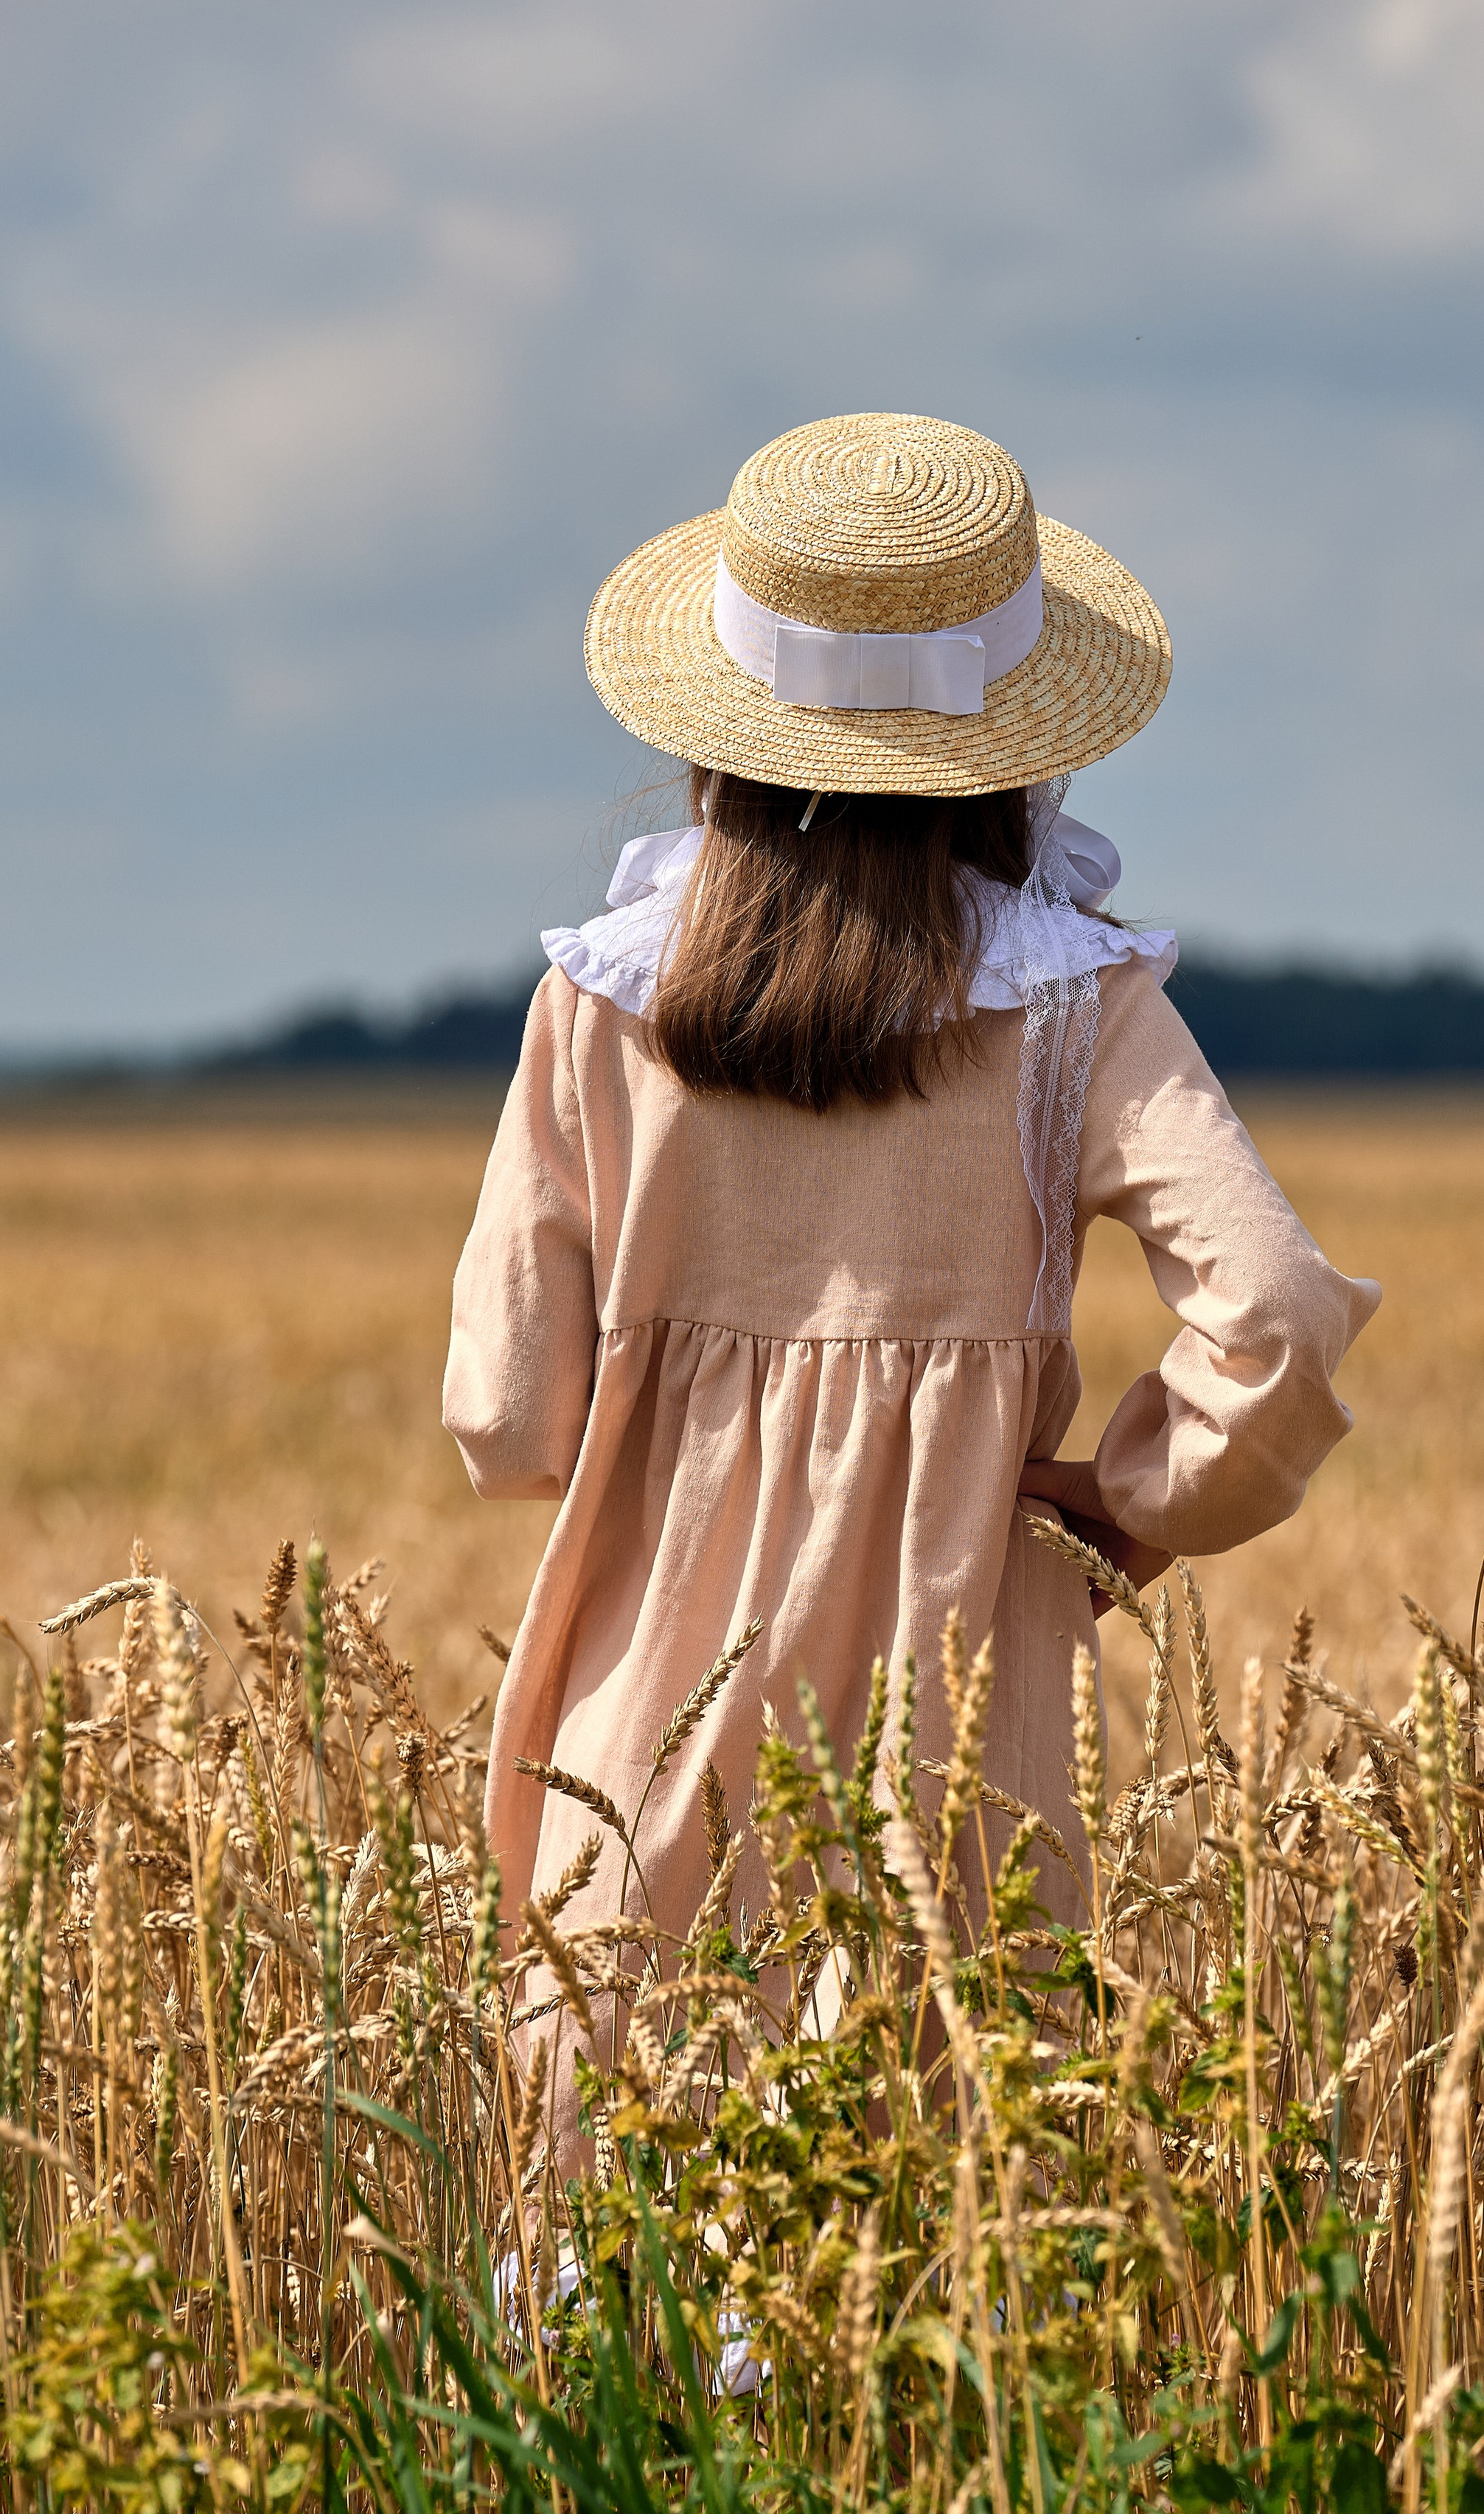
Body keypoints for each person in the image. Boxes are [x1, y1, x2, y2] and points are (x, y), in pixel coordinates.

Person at [444, 411, 1378, 2008]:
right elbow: (1278, 1319)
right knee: (943, 2205)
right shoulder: (1079, 1011)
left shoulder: (594, 1004)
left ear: (717, 721)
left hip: (638, 1736)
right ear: (1011, 738)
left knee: (629, 2224)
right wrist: (1143, 1502)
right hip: (960, 1736)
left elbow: (509, 1412)